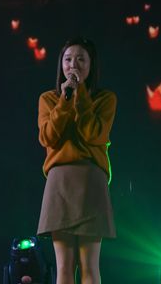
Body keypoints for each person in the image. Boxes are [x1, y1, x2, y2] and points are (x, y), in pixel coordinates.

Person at [36, 37, 117, 284]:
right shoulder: (48, 99)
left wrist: (80, 94)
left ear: (91, 65)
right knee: (64, 267)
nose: (73, 65)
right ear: (61, 64)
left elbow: (93, 134)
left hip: (91, 181)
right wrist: (65, 100)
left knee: (90, 266)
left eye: (81, 59)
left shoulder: (105, 99)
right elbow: (48, 137)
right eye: (68, 59)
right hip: (59, 182)